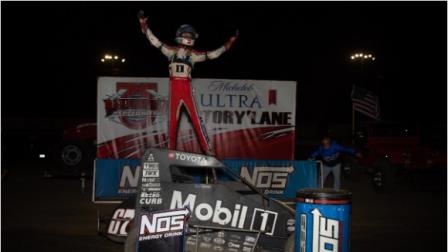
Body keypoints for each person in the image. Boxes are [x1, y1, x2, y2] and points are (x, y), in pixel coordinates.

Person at [138, 11, 238, 156]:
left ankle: (208, 150)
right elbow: (154, 41)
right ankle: (170, 152)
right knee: (172, 123)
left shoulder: (194, 55)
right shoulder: (170, 52)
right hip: (174, 88)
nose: (188, 38)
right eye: (186, 35)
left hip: (186, 87)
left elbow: (214, 54)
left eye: (191, 36)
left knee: (196, 120)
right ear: (180, 35)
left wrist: (230, 42)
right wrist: (143, 24)